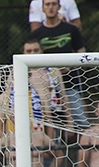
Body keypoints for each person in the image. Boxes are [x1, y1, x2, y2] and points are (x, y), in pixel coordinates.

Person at [31, 0, 88, 129]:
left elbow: (81, 53)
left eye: (53, 4)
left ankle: (84, 148)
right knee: (49, 124)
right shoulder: (37, 34)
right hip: (47, 87)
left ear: (59, 7)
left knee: (80, 120)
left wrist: (70, 66)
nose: (50, 7)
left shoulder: (71, 30)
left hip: (70, 82)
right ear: (42, 8)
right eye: (47, 4)